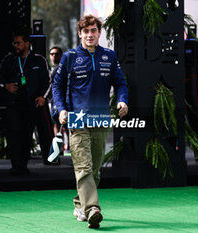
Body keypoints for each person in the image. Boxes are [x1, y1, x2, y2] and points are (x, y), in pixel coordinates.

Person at [52, 15, 128, 228]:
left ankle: (80, 202)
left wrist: (122, 101)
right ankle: (93, 208)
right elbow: (57, 86)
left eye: (93, 31)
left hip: (101, 119)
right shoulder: (70, 57)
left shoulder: (109, 56)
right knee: (83, 167)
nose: (90, 35)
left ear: (99, 33)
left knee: (95, 169)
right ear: (80, 34)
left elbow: (120, 83)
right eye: (86, 32)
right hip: (77, 120)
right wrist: (62, 109)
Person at [0, 31, 53, 175]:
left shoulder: (39, 60)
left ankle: (23, 165)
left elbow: (48, 81)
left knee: (27, 135)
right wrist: (6, 85)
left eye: (18, 43)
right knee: (14, 133)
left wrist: (42, 97)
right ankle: (15, 165)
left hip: (31, 104)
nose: (16, 45)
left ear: (27, 44)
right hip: (13, 104)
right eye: (14, 43)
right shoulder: (9, 59)